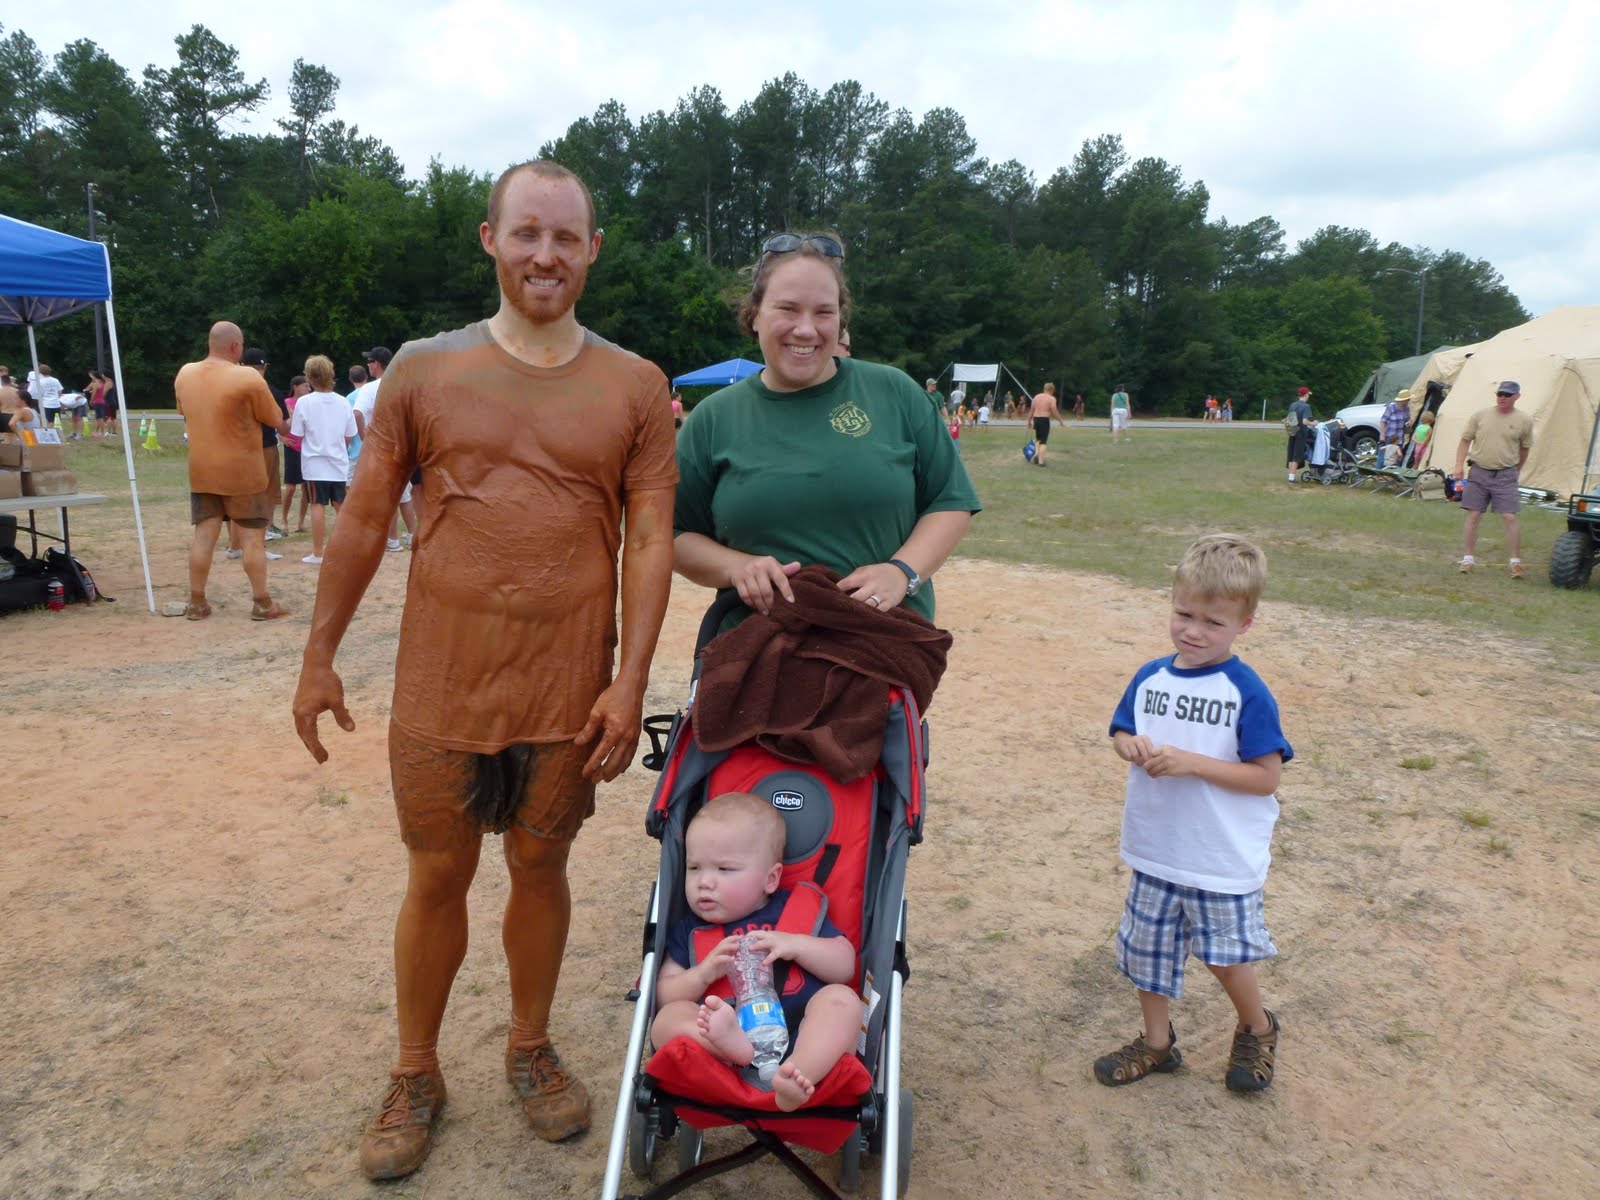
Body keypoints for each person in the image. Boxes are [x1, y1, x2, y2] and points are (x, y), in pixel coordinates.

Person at [291, 158, 678, 1182]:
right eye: (526, 233)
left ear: (593, 248)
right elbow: (367, 515)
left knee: (541, 867)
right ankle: (414, 1070)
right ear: (491, 240)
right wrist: (318, 655)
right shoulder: (424, 369)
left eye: (566, 236)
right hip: (442, 687)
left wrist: (628, 679)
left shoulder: (635, 386)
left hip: (565, 689)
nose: (545, 253)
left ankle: (528, 1044)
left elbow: (648, 543)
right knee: (437, 873)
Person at [674, 232, 978, 623]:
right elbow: (674, 535)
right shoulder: (713, 418)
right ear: (754, 315)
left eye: (823, 312)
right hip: (755, 652)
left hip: (883, 649)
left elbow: (950, 500)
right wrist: (736, 567)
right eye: (787, 309)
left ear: (841, 319)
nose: (806, 329)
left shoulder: (894, 392)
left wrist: (902, 572)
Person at [1096, 533, 1291, 1094]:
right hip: (1157, 848)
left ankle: (1257, 1026)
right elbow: (1122, 730)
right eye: (1184, 613)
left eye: (1213, 622)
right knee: (1145, 952)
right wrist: (1128, 745)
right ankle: (1157, 1045)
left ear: (1245, 624)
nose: (1193, 631)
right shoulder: (1151, 675)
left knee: (1226, 957)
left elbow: (1265, 777)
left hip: (1218, 856)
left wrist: (1193, 764)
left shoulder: (1245, 691)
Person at [650, 792, 861, 1111]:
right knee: (666, 1019)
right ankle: (735, 1050)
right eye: (694, 868)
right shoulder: (690, 929)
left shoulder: (795, 910)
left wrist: (796, 944)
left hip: (800, 1032)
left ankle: (796, 1076)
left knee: (843, 1001)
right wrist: (702, 973)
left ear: (771, 878)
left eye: (725, 869)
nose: (704, 882)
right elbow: (665, 992)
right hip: (721, 1040)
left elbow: (845, 964)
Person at [173, 322, 292, 621]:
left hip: (202, 470)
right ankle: (262, 603)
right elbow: (275, 418)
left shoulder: (185, 373)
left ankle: (197, 602)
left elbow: (182, 412)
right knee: (253, 539)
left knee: (203, 537)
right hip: (243, 472)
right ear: (236, 347)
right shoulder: (247, 377)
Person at [1454, 380, 1534, 578]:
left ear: (1517, 397)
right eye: (1500, 394)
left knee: (1509, 516)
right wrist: (1458, 466)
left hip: (1506, 474)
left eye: (1507, 395)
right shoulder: (1480, 416)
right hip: (1479, 471)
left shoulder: (1524, 420)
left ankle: (1515, 562)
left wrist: (1517, 470)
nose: (1503, 398)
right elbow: (1465, 440)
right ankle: (1468, 559)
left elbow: (1525, 448)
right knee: (1473, 515)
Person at [290, 356, 358, 567]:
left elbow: (297, 433)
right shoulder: (343, 401)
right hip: (338, 462)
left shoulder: (304, 402)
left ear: (309, 378)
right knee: (341, 505)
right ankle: (349, 550)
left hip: (314, 463)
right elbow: (350, 434)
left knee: (317, 504)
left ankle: (318, 553)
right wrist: (339, 448)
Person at [351, 347, 416, 551]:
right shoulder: (403, 385)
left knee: (387, 495)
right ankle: (413, 534)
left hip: (381, 446)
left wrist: (364, 438)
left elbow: (357, 414)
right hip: (402, 445)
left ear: (376, 364)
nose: (368, 366)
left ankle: (393, 539)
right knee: (404, 494)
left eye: (369, 362)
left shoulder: (369, 389)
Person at [279, 375, 312, 535]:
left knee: (307, 488)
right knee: (291, 487)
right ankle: (284, 520)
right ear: (296, 386)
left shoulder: (309, 404)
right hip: (292, 447)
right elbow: (278, 423)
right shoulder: (286, 403)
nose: (308, 389)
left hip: (306, 447)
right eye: (305, 386)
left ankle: (301, 522)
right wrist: (282, 437)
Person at [1029, 382, 1066, 467]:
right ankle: (1041, 462)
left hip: (1036, 419)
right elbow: (1054, 410)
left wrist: (1029, 421)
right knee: (1043, 441)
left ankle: (1037, 456)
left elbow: (1031, 410)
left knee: (1038, 439)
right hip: (1044, 420)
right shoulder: (1051, 398)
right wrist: (1060, 421)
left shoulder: (1036, 397)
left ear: (1044, 388)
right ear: (1052, 389)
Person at [1284, 387, 1314, 481]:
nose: (1308, 396)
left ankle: (1290, 475)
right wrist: (1314, 423)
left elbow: (1289, 418)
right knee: (1297, 455)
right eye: (1308, 394)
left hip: (1292, 431)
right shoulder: (1306, 406)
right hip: (1301, 433)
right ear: (1305, 395)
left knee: (1291, 453)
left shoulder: (1292, 405)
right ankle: (1292, 478)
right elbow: (1305, 421)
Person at [1381, 388, 1412, 467]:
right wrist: (1382, 435)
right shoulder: (1391, 407)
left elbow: (1408, 418)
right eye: (1408, 399)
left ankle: (1393, 475)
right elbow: (1383, 421)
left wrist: (1409, 422)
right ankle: (1380, 473)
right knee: (1385, 458)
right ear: (1403, 400)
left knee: (1397, 458)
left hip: (1399, 438)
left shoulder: (1406, 408)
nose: (1409, 401)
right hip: (1390, 437)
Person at [33, 365, 62, 429]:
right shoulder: (55, 380)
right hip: (56, 404)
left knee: (46, 421)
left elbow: (39, 394)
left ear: (40, 372)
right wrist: (57, 398)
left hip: (46, 404)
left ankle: (47, 435)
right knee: (54, 421)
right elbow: (59, 391)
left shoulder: (40, 382)